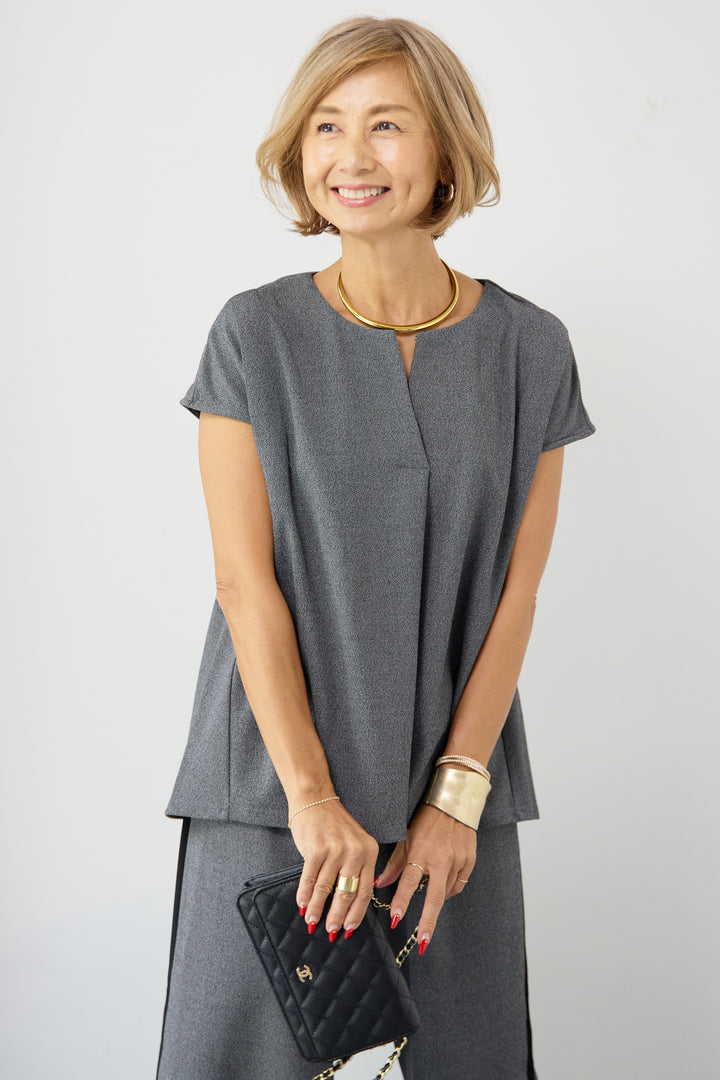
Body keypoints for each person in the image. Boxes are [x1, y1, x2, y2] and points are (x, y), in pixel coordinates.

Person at [155, 15, 596, 1080]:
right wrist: (311, 800)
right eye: (326, 126)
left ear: (446, 148)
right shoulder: (254, 336)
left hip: (451, 812)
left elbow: (516, 596)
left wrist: (455, 801)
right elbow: (243, 585)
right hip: (273, 797)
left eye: (387, 125)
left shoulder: (531, 349)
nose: (351, 156)